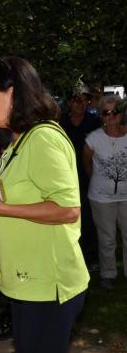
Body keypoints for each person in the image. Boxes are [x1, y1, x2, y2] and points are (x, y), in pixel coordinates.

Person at [0, 57, 89, 353]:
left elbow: (67, 208)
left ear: (13, 93)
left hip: (51, 284)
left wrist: (0, 208)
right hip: (27, 283)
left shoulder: (43, 139)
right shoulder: (18, 141)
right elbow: (5, 204)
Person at [83, 95, 127, 290]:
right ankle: (108, 274)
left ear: (122, 113)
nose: (111, 116)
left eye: (115, 111)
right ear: (101, 115)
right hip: (101, 199)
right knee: (106, 238)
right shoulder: (93, 138)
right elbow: (87, 164)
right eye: (106, 112)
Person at [60, 83, 102, 269]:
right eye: (77, 100)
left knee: (88, 217)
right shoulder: (60, 122)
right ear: (70, 102)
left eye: (85, 100)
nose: (80, 104)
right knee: (66, 215)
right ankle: (69, 254)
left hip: (87, 175)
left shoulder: (94, 122)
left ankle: (90, 256)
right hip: (63, 176)